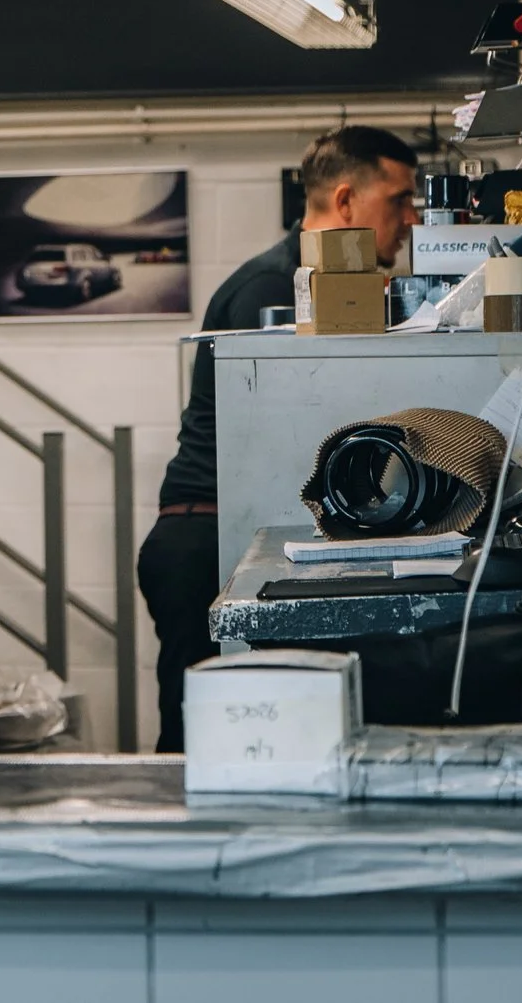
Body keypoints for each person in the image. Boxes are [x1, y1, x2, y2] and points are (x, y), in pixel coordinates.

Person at [137, 125, 419, 750]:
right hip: (204, 542)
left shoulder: (326, 288)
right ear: (345, 203)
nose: (412, 217)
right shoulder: (273, 290)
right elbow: (281, 437)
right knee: (202, 738)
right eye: (399, 199)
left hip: (226, 534)